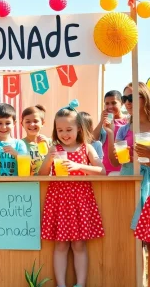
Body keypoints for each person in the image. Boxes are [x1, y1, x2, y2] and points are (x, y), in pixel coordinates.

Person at [39, 100, 105, 287]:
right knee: (60, 245)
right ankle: (61, 285)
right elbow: (42, 175)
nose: (64, 134)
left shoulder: (87, 148)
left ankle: (80, 284)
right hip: (58, 200)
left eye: (69, 129)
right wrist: (49, 159)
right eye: (60, 130)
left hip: (81, 200)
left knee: (79, 244)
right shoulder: (54, 149)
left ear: (78, 129)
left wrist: (79, 166)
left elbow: (102, 171)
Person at [104, 82, 150, 231]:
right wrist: (110, 134)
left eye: (132, 97)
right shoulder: (124, 129)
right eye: (125, 98)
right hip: (129, 180)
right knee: (132, 235)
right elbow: (115, 162)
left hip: (147, 181)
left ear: (145, 97)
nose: (128, 102)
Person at [93, 90, 127, 174]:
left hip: (123, 168)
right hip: (105, 168)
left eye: (114, 103)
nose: (110, 106)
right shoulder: (105, 123)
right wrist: (101, 122)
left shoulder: (128, 122)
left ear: (122, 103)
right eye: (107, 103)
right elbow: (93, 138)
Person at [21, 105, 51, 175]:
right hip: (30, 184)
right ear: (22, 123)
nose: (32, 124)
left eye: (35, 121)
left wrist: (49, 148)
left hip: (48, 183)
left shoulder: (50, 142)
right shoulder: (20, 144)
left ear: (42, 123)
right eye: (28, 122)